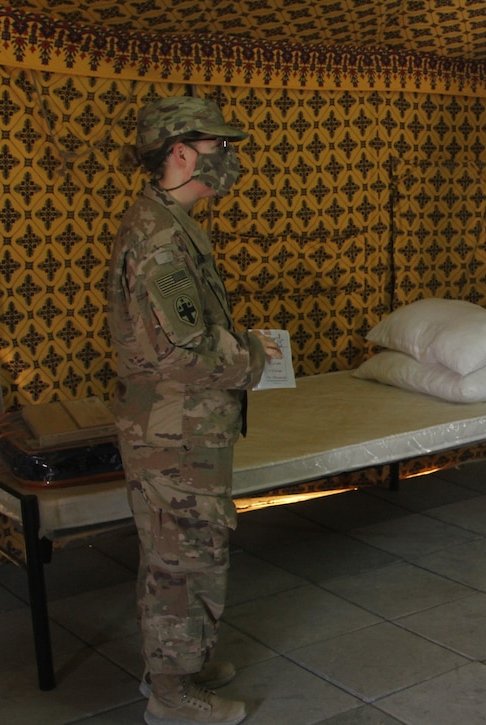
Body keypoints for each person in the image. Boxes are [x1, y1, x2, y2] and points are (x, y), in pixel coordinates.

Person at [108, 95, 282, 725]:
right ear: (180, 152)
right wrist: (254, 362)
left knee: (178, 553)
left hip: (181, 427)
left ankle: (181, 664)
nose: (227, 161)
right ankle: (174, 694)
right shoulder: (159, 240)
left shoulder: (172, 225)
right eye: (218, 149)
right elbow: (186, 355)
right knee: (185, 559)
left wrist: (237, 347)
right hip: (174, 434)